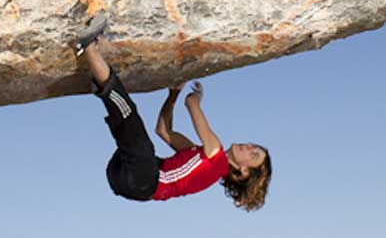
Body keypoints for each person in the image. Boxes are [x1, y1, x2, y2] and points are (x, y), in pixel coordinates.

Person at [75, 13, 272, 211]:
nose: (248, 147)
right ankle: (101, 78)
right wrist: (173, 95)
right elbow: (163, 131)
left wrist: (196, 98)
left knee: (130, 118)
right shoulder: (201, 159)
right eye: (253, 146)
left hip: (142, 180)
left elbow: (191, 103)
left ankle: (89, 46)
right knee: (128, 121)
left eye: (253, 154)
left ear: (243, 171)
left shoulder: (217, 157)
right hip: (127, 176)